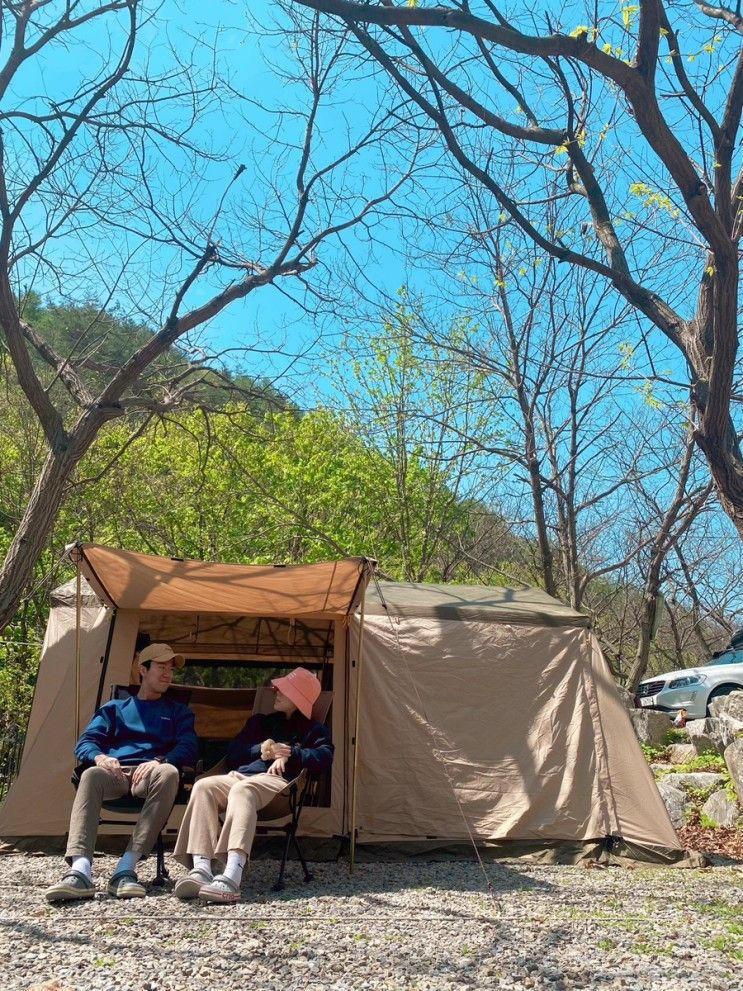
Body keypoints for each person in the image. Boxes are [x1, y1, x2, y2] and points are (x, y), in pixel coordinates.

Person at [45, 641, 198, 902]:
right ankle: (80, 871)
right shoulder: (114, 708)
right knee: (90, 774)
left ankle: (125, 869)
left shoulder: (177, 712)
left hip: (150, 775)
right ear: (142, 670)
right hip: (115, 774)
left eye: (171, 669)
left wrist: (162, 760)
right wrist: (101, 757)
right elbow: (85, 743)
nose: (168, 674)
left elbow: (189, 745)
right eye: (161, 667)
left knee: (170, 772)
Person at [173, 666, 333, 904]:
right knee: (204, 786)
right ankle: (202, 869)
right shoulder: (260, 722)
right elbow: (235, 752)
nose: (274, 690)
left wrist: (292, 753)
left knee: (243, 790)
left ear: (298, 697)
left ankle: (231, 877)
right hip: (239, 776)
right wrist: (262, 749)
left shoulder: (313, 730)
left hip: (277, 788)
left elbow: (324, 757)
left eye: (283, 689)